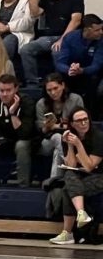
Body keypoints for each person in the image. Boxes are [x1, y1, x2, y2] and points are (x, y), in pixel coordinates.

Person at [21, 0, 85, 89]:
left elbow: (76, 20)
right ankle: (32, 84)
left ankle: (59, 85)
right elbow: (35, 13)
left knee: (57, 51)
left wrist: (62, 39)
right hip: (48, 36)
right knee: (26, 50)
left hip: (69, 36)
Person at [50, 109, 103, 244]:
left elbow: (89, 166)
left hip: (99, 176)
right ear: (72, 124)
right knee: (69, 174)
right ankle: (81, 214)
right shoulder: (69, 136)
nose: (84, 123)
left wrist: (79, 144)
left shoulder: (98, 137)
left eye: (86, 119)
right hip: (81, 176)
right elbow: (71, 164)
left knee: (68, 189)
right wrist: (69, 145)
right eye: (79, 121)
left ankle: (68, 233)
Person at [35, 72, 84, 183]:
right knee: (58, 137)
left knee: (59, 149)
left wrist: (57, 126)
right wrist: (48, 127)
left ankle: (54, 182)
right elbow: (41, 131)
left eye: (55, 88)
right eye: (49, 90)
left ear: (63, 85)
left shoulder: (75, 99)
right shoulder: (41, 104)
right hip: (47, 142)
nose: (53, 92)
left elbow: (81, 125)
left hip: (72, 140)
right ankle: (74, 169)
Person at [53, 12, 103, 115]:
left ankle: (92, 115)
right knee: (57, 78)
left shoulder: (101, 41)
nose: (101, 32)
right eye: (97, 30)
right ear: (87, 30)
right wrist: (69, 70)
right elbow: (60, 62)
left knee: (95, 83)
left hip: (92, 73)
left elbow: (97, 65)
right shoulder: (70, 38)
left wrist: (82, 70)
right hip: (72, 71)